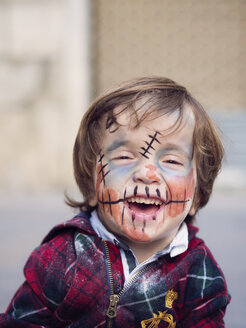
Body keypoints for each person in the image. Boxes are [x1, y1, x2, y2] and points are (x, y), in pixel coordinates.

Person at [0, 77, 230, 328]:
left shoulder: (200, 272)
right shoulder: (65, 256)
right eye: (123, 156)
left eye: (172, 161)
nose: (147, 173)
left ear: (196, 195)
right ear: (91, 184)